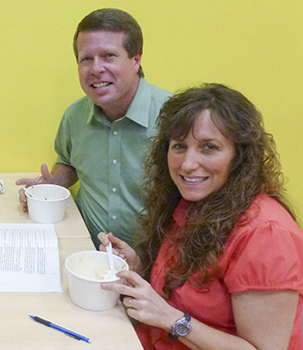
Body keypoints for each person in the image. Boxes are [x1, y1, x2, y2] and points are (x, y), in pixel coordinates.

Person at [99, 83, 303, 350]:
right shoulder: (194, 202)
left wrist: (171, 319)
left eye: (209, 147)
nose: (187, 164)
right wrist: (137, 269)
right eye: (179, 146)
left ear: (239, 156)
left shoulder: (267, 233)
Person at [16, 8, 171, 248]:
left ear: (136, 59)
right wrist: (52, 186)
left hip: (154, 263)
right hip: (86, 252)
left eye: (109, 56)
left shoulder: (175, 117)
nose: (96, 68)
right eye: (86, 58)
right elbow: (69, 162)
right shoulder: (74, 116)